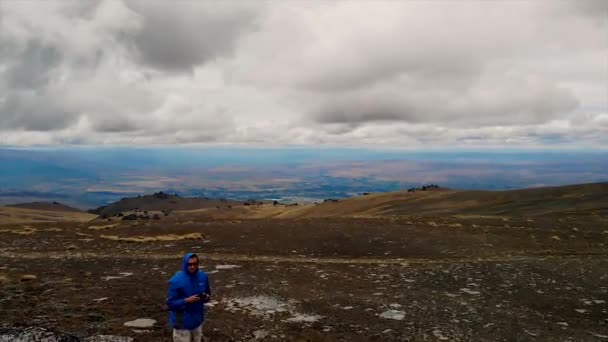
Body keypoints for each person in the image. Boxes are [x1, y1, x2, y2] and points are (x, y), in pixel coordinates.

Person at [167, 252, 211, 342]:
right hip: (182, 321)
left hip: (197, 319)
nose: (192, 267)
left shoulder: (203, 277)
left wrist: (206, 297)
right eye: (190, 264)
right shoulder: (176, 280)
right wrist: (185, 301)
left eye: (195, 264)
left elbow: (208, 293)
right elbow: (171, 304)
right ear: (185, 264)